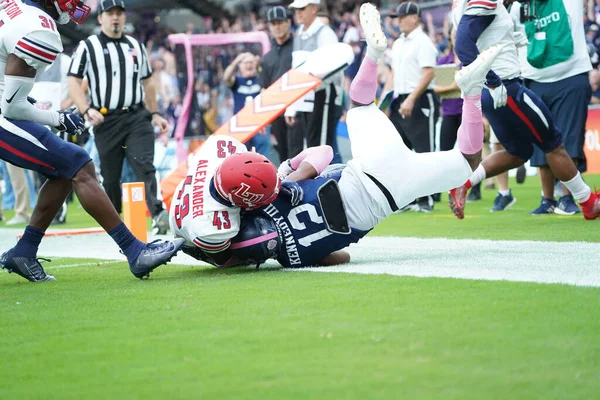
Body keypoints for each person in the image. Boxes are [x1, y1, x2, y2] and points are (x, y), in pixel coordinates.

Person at [182, 3, 498, 269]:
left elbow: (342, 256)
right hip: (366, 165)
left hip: (389, 193)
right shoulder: (279, 185)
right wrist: (295, 176)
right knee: (360, 104)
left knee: (468, 161)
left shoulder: (286, 256)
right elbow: (324, 153)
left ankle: (471, 94)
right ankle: (373, 54)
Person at [0, 0, 184, 282]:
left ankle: (24, 251)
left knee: (66, 168)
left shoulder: (12, 8)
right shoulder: (38, 28)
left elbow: (10, 89)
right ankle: (135, 251)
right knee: (78, 163)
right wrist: (58, 118)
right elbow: (13, 107)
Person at [448, 0, 600, 221]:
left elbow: (478, 37)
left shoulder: (464, 4)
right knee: (553, 143)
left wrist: (509, 41)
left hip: (493, 93)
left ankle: (464, 183)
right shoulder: (485, 2)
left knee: (518, 152)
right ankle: (588, 202)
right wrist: (493, 80)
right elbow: (462, 44)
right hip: (506, 89)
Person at [67, 0, 171, 235]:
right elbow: (73, 80)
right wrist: (85, 109)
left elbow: (147, 81)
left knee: (144, 165)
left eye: (119, 13)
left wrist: (154, 112)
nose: (115, 18)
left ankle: (157, 213)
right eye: (110, 13)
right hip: (106, 120)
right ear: (100, 18)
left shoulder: (136, 45)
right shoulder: (88, 46)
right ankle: (114, 221)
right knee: (111, 178)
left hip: (136, 116)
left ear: (124, 18)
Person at [508, 0, 593, 216]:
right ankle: (547, 199)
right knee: (540, 143)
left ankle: (567, 197)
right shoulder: (520, 7)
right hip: (534, 79)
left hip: (571, 76)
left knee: (569, 140)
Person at [168, 135, 285, 267]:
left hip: (190, 200)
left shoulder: (216, 147)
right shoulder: (211, 228)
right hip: (191, 237)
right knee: (257, 238)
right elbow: (223, 260)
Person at [384, 1, 440, 212]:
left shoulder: (423, 41)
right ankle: (407, 199)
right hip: (400, 98)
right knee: (399, 151)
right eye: (396, 18)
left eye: (401, 17)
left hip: (421, 99)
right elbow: (394, 74)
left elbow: (429, 72)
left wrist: (411, 99)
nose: (398, 21)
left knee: (425, 152)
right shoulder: (399, 43)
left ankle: (427, 199)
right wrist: (385, 101)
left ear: (415, 17)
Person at [285, 0, 342, 159]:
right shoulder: (299, 34)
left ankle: (324, 183)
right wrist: (292, 106)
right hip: (303, 99)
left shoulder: (325, 33)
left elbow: (334, 65)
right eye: (296, 9)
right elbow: (295, 71)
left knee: (320, 149)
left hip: (321, 94)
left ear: (314, 9)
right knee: (308, 149)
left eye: (302, 8)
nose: (298, 12)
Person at [259, 5, 294, 162]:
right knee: (284, 156)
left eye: (280, 22)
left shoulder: (298, 48)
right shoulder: (267, 57)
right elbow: (264, 90)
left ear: (288, 22)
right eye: (273, 23)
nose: (277, 27)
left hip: (298, 110)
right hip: (277, 114)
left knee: (300, 153)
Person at [223, 52, 271, 158]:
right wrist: (235, 61)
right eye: (245, 62)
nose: (249, 65)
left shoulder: (262, 80)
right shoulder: (237, 81)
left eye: (251, 62)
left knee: (262, 156)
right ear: (240, 66)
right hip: (240, 125)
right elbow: (226, 77)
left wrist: (260, 66)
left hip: (260, 124)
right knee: (239, 156)